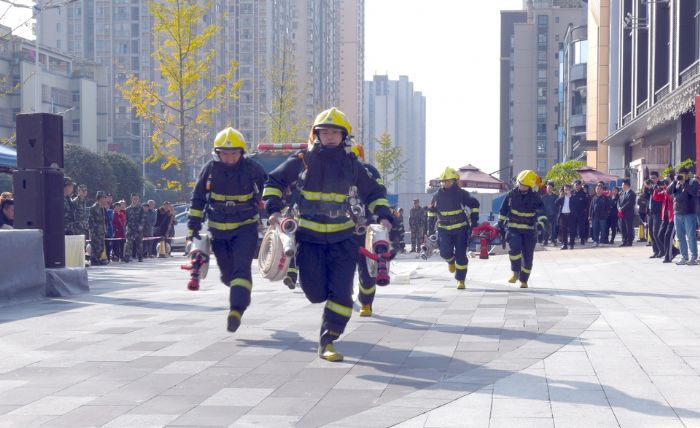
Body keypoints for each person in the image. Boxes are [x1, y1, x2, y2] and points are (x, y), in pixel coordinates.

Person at [263, 107, 393, 362]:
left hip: (342, 239)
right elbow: (273, 182)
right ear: (316, 135)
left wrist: (384, 216)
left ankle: (328, 340)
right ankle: (304, 284)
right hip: (309, 239)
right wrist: (274, 209)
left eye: (336, 132)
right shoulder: (302, 160)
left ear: (344, 136)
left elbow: (375, 193)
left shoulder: (353, 165)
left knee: (342, 294)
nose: (330, 136)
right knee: (316, 294)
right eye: (325, 132)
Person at [188, 127, 266, 332]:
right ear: (217, 152)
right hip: (218, 231)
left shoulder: (252, 168)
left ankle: (236, 311)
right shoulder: (210, 170)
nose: (230, 157)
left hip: (245, 228)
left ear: (241, 152)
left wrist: (275, 209)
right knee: (227, 276)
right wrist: (192, 229)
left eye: (234, 153)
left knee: (242, 268)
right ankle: (238, 294)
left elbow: (269, 189)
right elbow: (197, 199)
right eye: (225, 153)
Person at [348, 143, 386, 317]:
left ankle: (366, 303)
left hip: (365, 230)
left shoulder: (370, 171)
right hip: (341, 229)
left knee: (366, 269)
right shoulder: (334, 171)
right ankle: (343, 296)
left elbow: (379, 193)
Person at [428, 167, 480, 290]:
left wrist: (474, 221)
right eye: (443, 181)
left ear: (454, 181)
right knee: (444, 252)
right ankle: (450, 261)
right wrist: (430, 229)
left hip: (461, 229)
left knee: (461, 255)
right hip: (443, 229)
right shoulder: (436, 196)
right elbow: (431, 212)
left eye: (448, 181)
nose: (445, 183)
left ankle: (460, 280)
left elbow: (475, 204)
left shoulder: (462, 194)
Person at [499, 170, 546, 288]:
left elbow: (542, 213)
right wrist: (500, 222)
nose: (521, 186)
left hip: (529, 231)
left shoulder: (535, 197)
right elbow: (503, 209)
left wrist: (541, 224)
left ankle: (524, 280)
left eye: (524, 185)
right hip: (514, 228)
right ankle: (515, 272)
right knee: (514, 249)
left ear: (529, 186)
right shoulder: (511, 194)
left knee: (528, 256)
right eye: (520, 183)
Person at [667, 168, 698, 265]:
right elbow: (668, 192)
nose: (680, 176)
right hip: (677, 213)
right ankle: (684, 257)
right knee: (680, 237)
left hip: (689, 213)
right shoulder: (677, 183)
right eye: (679, 174)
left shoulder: (693, 182)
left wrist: (684, 183)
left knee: (691, 236)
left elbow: (693, 193)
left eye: (682, 174)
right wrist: (674, 182)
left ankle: (693, 256)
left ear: (687, 174)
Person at [124, 193, 146, 262]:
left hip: (138, 228)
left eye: (136, 199)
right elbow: (126, 219)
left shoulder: (141, 208)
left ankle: (140, 257)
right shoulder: (127, 209)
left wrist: (141, 226)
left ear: (138, 199)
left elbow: (143, 218)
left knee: (139, 243)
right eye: (134, 199)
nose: (135, 200)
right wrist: (125, 228)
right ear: (131, 199)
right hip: (130, 228)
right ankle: (127, 257)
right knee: (128, 243)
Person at [88, 191, 108, 265]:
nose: (104, 200)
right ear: (99, 198)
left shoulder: (101, 208)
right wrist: (93, 230)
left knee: (101, 246)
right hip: (96, 231)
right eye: (103, 198)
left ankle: (98, 258)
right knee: (96, 245)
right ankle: (94, 260)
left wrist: (104, 228)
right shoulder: (94, 208)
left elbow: (103, 220)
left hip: (101, 231)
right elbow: (91, 221)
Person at [556, 184, 576, 249]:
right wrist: (560, 196)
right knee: (563, 231)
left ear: (570, 190)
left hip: (570, 215)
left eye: (567, 189)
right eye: (564, 189)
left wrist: (570, 197)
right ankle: (564, 244)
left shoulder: (573, 197)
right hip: (563, 216)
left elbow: (577, 205)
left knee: (571, 230)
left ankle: (572, 244)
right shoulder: (562, 197)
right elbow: (556, 203)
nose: (566, 191)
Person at [617, 179, 636, 247]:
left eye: (623, 185)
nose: (622, 186)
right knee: (623, 228)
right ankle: (624, 241)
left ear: (627, 185)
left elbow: (630, 203)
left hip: (628, 214)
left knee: (629, 228)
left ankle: (629, 241)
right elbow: (618, 201)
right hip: (622, 214)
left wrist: (622, 208)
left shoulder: (632, 193)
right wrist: (619, 207)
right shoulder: (622, 193)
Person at [648, 172, 663, 258]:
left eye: (654, 178)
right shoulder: (651, 186)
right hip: (651, 212)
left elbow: (658, 197)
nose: (652, 180)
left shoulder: (660, 185)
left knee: (656, 233)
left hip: (658, 212)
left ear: (658, 178)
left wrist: (652, 188)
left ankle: (661, 250)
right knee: (651, 233)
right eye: (651, 178)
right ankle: (656, 251)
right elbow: (647, 196)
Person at [571, 180, 590, 245]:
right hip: (573, 214)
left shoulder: (584, 194)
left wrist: (585, 212)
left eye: (578, 185)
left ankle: (582, 239)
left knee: (582, 227)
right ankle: (572, 240)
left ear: (580, 186)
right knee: (573, 228)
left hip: (581, 214)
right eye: (576, 185)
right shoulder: (571, 193)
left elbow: (587, 204)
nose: (577, 186)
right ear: (574, 186)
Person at [541, 181, 558, 246]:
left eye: (550, 188)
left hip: (553, 215)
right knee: (545, 229)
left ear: (552, 188)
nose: (549, 189)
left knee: (553, 229)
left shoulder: (555, 196)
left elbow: (558, 206)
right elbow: (541, 207)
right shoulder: (543, 197)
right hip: (546, 215)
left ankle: (553, 241)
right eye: (548, 188)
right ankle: (545, 241)